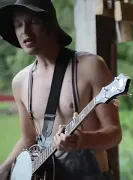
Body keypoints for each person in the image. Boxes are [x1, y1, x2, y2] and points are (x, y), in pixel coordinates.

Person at [0, 0, 122, 179]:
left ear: (49, 24)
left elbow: (114, 133)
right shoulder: (20, 81)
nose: (24, 31)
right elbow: (28, 139)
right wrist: (4, 168)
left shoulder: (90, 67)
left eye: (33, 22)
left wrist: (81, 140)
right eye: (18, 24)